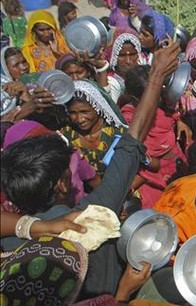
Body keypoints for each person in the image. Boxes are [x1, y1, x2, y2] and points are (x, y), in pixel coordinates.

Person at [0, 38, 181, 295]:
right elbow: (133, 140)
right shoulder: (93, 216)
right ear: (63, 183)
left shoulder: (10, 241)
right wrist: (156, 77)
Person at [119, 65, 186, 208]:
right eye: (152, 96)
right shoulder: (130, 121)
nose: (158, 99)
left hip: (178, 172)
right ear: (135, 98)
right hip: (152, 184)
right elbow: (142, 158)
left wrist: (179, 121)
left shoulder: (164, 107)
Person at [60, 79, 128, 177]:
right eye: (72, 113)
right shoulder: (66, 135)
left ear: (97, 107)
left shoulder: (117, 132)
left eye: (85, 112)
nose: (80, 119)